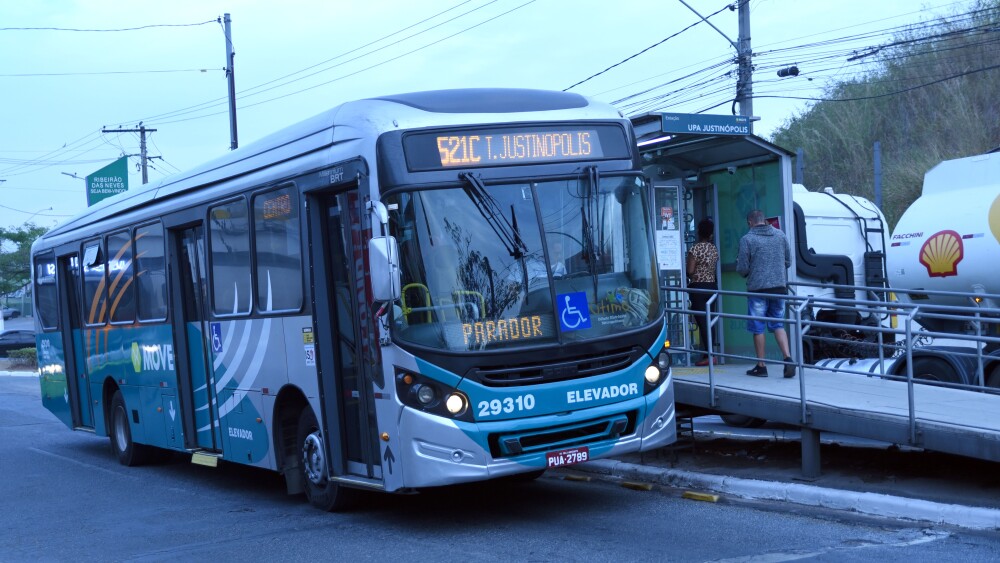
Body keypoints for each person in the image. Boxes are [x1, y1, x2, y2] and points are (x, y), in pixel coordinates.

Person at [736, 209, 795, 378]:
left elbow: (742, 268)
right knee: (778, 324)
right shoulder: (780, 235)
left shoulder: (747, 239)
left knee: (758, 327)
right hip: (779, 288)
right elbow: (788, 261)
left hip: (758, 289)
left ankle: (761, 366)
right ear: (765, 220)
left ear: (750, 223)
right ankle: (788, 358)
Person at [686, 218, 719, 366]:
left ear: (699, 232)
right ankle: (711, 353)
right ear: (710, 233)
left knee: (702, 321)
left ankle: (709, 354)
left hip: (698, 287)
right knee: (710, 320)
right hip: (712, 287)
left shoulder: (695, 249)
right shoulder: (714, 249)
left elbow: (690, 270)